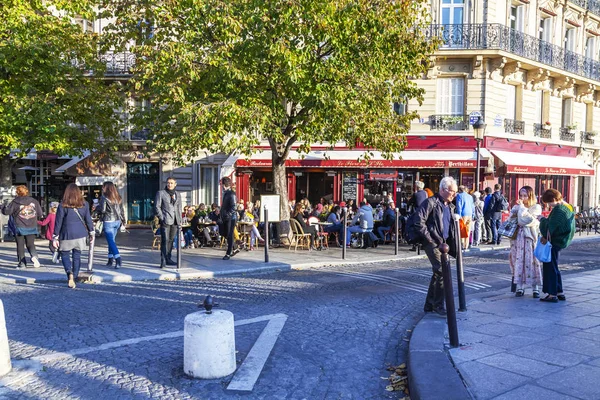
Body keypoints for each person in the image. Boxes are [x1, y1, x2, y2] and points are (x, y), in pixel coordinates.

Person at [413, 177, 458, 316]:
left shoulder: (449, 205)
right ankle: (439, 305)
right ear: (443, 190)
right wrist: (430, 239)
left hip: (442, 243)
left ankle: (429, 304)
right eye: (452, 191)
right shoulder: (431, 202)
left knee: (438, 273)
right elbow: (418, 221)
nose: (454, 194)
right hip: (432, 242)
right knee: (442, 271)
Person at [53, 184, 94, 289]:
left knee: (65, 255)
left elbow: (58, 222)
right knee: (77, 256)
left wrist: (55, 236)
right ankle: (75, 276)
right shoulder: (85, 204)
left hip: (66, 234)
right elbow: (88, 220)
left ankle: (69, 273)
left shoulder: (62, 205)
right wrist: (91, 232)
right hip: (80, 234)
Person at [538, 189, 575, 302]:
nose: (549, 206)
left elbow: (550, 227)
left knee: (550, 267)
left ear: (553, 199)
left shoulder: (559, 210)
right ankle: (560, 292)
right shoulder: (568, 206)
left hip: (555, 241)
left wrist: (542, 219)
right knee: (555, 266)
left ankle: (552, 294)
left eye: (549, 203)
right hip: (562, 241)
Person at [508, 186, 542, 298]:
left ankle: (535, 287)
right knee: (518, 261)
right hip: (517, 237)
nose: (522, 198)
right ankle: (520, 287)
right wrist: (516, 212)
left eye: (525, 196)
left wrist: (521, 208)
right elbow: (510, 220)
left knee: (532, 261)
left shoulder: (536, 207)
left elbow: (525, 220)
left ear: (530, 196)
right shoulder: (516, 207)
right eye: (521, 195)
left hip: (529, 238)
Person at [1, 185, 43, 268]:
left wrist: (2, 207)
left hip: (19, 226)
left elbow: (7, 212)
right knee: (30, 244)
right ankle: (34, 256)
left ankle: (22, 263)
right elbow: (40, 213)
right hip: (32, 225)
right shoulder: (34, 201)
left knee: (20, 245)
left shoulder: (15, 202)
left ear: (17, 192)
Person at [154, 177, 182, 268]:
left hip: (175, 221)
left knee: (171, 240)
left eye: (171, 183)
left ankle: (168, 258)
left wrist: (180, 220)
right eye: (168, 183)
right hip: (165, 220)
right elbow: (157, 207)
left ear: (175, 184)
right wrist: (162, 218)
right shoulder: (161, 193)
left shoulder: (178, 194)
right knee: (164, 241)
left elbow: (179, 208)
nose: (169, 185)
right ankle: (163, 261)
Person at [97, 181, 126, 268]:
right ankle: (110, 259)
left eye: (103, 186)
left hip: (108, 221)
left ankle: (118, 258)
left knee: (111, 241)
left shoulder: (104, 198)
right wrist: (123, 220)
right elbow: (121, 210)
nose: (102, 188)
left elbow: (102, 210)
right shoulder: (118, 197)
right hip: (117, 221)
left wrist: (96, 207)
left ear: (106, 188)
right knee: (112, 241)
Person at [221, 177, 240, 260]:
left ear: (224, 185)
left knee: (229, 234)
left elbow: (234, 207)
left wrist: (227, 215)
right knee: (225, 233)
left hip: (231, 218)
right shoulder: (226, 193)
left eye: (222, 184)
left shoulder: (231, 194)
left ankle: (228, 253)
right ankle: (235, 247)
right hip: (226, 217)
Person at [455, 185, 474, 250]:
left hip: (463, 214)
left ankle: (462, 244)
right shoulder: (470, 196)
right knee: (468, 230)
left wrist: (459, 215)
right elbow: (472, 206)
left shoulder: (459, 196)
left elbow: (459, 206)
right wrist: (473, 214)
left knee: (462, 230)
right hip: (470, 214)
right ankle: (466, 245)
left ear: (459, 190)